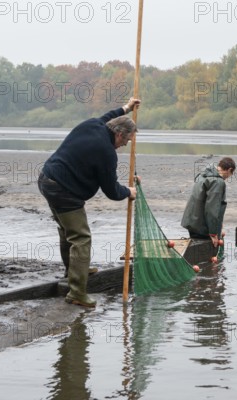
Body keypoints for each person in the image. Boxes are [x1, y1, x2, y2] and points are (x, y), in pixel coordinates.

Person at [38, 97, 141, 307]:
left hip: (47, 178)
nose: (125, 145)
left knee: (67, 231)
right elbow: (112, 191)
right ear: (119, 134)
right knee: (81, 237)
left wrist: (126, 108)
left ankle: (75, 270)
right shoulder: (106, 152)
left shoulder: (94, 124)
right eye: (126, 140)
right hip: (63, 190)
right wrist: (129, 191)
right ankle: (76, 292)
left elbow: (109, 117)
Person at [181, 157, 236, 247]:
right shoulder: (218, 182)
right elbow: (212, 209)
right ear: (229, 170)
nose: (228, 176)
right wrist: (213, 233)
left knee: (195, 252)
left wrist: (219, 224)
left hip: (191, 221)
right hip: (201, 226)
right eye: (231, 174)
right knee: (204, 253)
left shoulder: (203, 175)